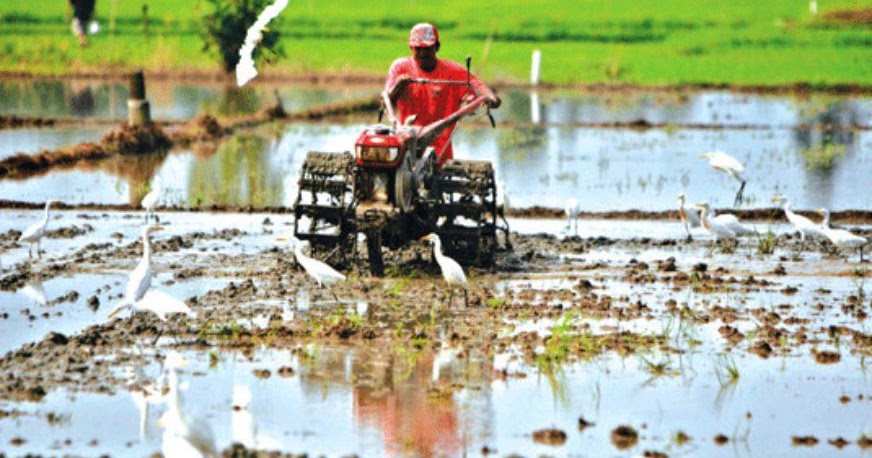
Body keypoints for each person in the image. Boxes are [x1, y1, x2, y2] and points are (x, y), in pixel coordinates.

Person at [385, 22, 501, 166]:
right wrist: (398, 87)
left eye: (427, 48)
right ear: (411, 48)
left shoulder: (453, 71)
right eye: (417, 49)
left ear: (437, 47)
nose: (422, 54)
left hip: (441, 152)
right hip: (407, 147)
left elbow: (477, 86)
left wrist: (490, 98)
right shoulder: (401, 68)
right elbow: (386, 101)